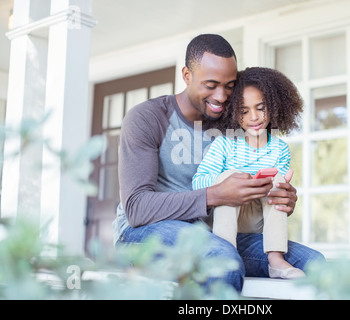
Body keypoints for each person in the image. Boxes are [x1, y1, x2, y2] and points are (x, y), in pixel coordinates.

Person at [112, 34, 325, 292]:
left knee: (314, 263)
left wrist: (279, 199)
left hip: (212, 233)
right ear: (187, 75)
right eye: (211, 84)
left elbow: (253, 172)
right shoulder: (148, 118)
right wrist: (215, 195)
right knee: (222, 258)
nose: (222, 96)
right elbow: (137, 208)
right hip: (142, 233)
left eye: (229, 86)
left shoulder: (233, 120)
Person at [192, 67, 305, 279]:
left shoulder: (280, 148)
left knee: (277, 180)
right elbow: (198, 183)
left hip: (256, 221)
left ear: (274, 106)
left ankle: (276, 260)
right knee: (229, 175)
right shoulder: (225, 144)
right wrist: (234, 181)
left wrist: (280, 186)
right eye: (244, 111)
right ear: (234, 112)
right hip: (225, 217)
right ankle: (224, 255)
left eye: (261, 108)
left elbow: (278, 205)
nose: (254, 117)